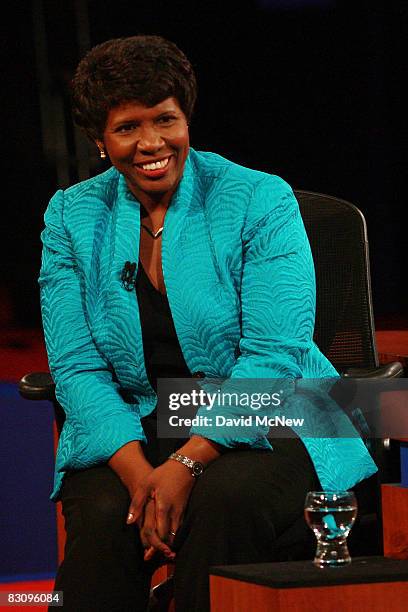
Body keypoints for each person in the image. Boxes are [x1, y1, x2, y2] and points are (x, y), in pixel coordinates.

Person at [39, 35, 377, 612]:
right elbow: (75, 363)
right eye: (127, 127)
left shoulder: (258, 199)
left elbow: (275, 355)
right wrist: (139, 471)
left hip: (286, 411)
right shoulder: (71, 216)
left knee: (224, 500)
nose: (152, 142)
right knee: (102, 513)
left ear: (185, 118)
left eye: (165, 119)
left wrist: (188, 461)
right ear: (100, 139)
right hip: (143, 423)